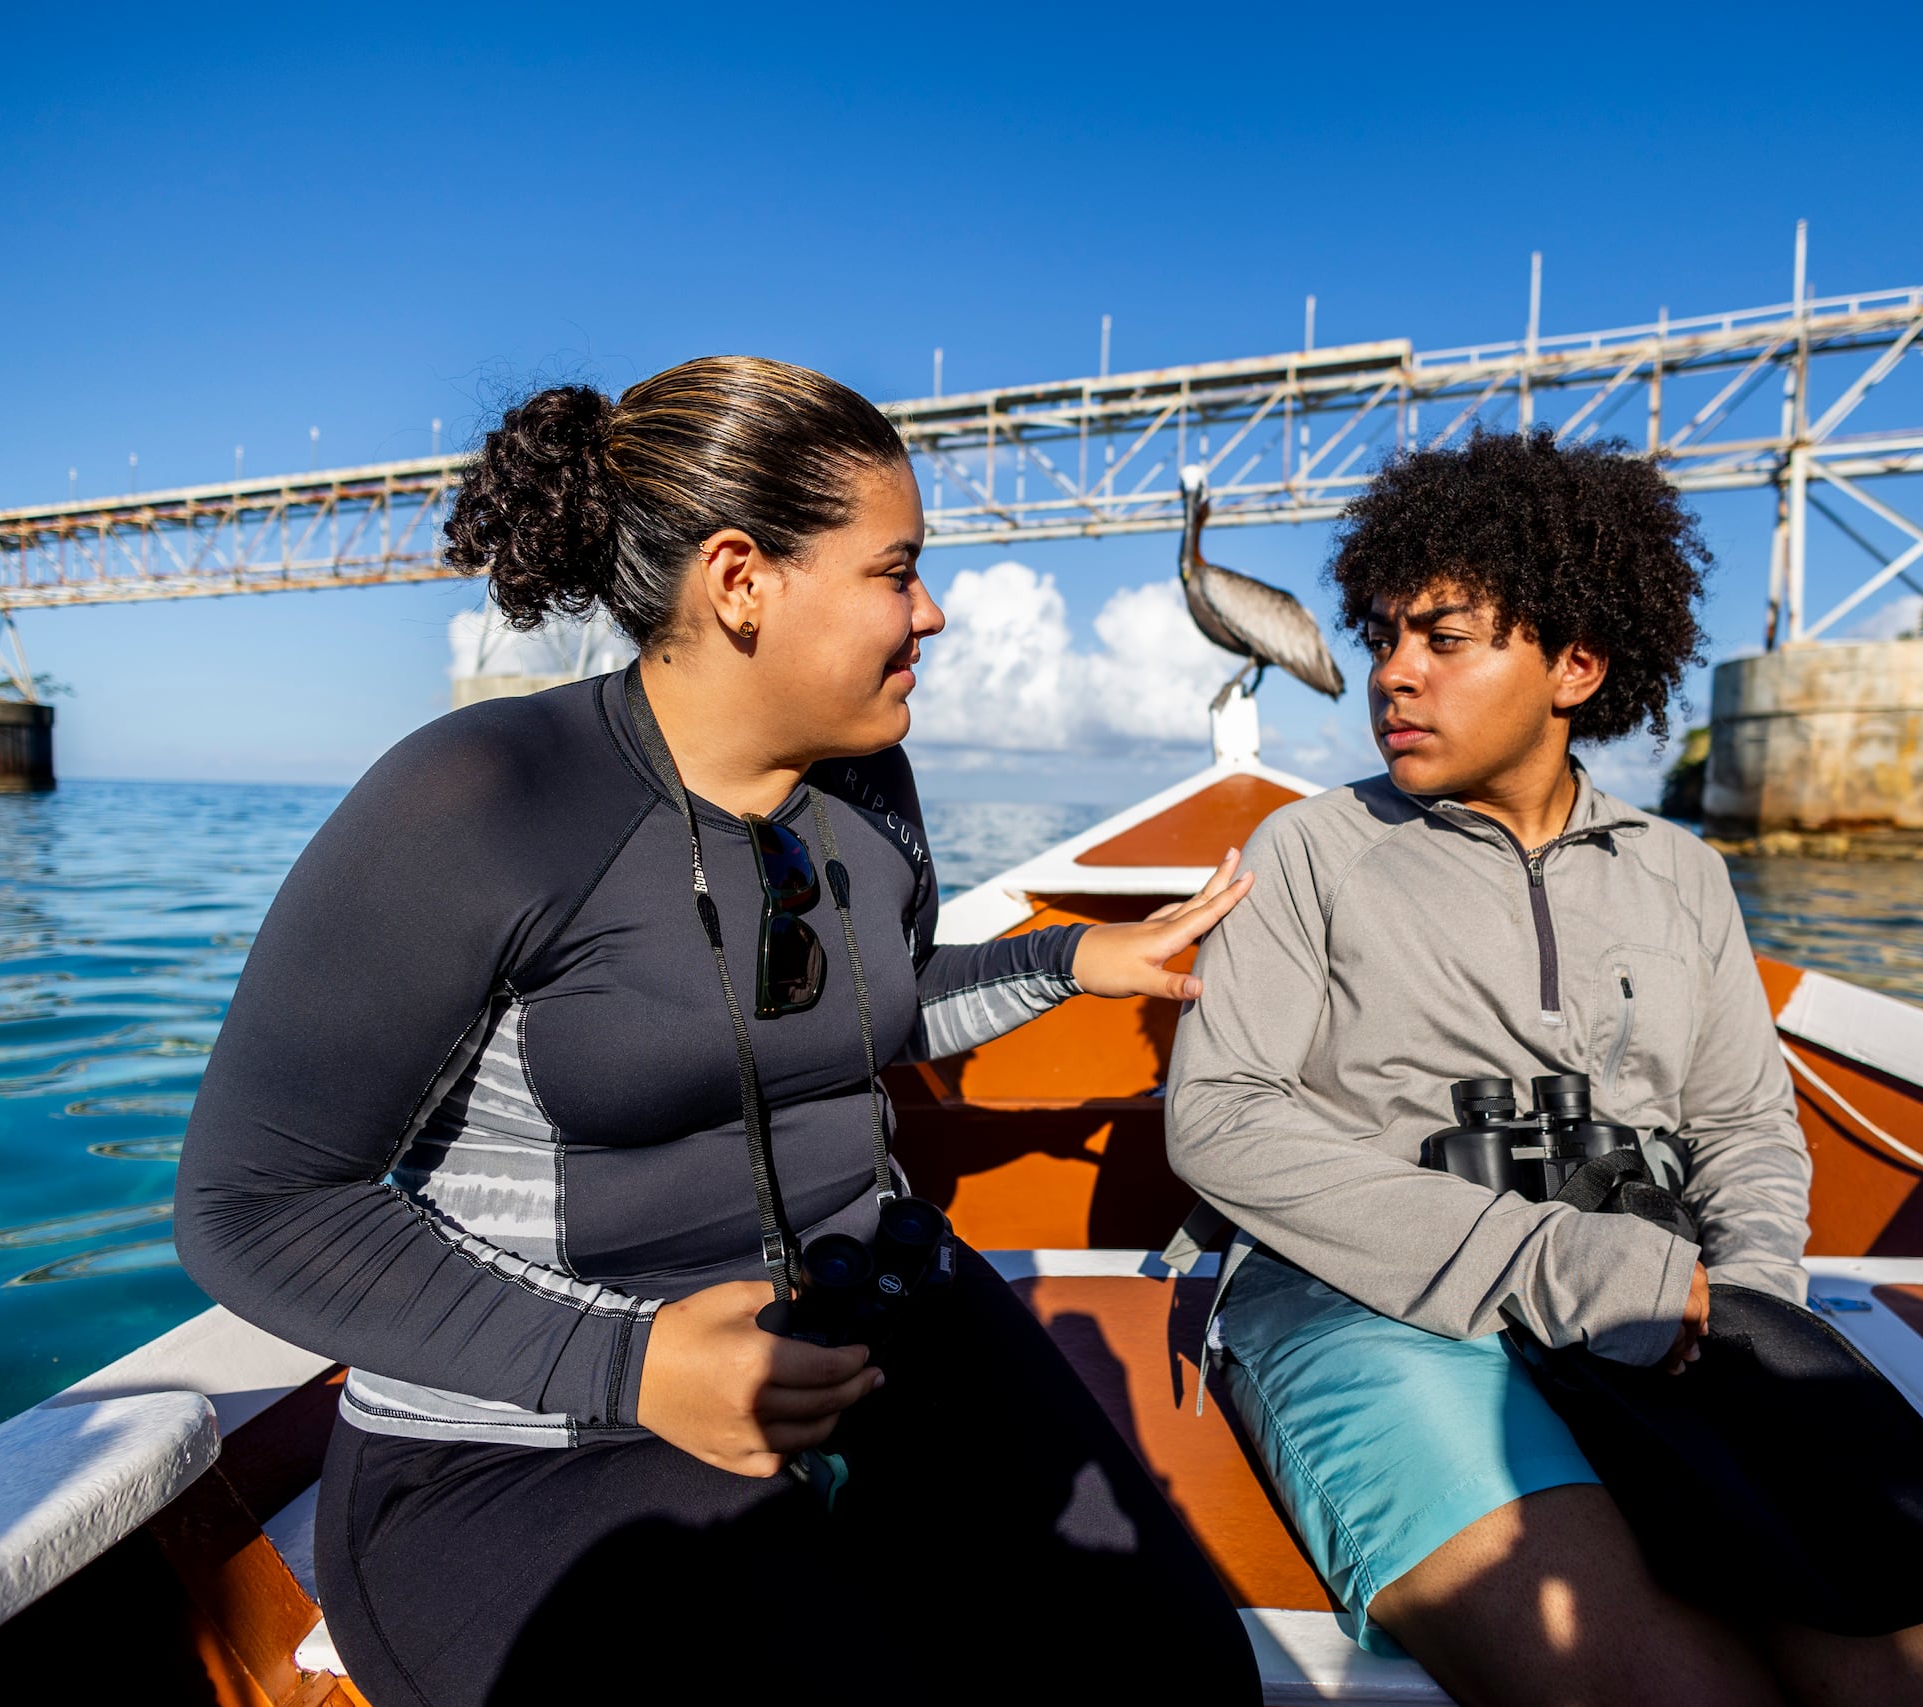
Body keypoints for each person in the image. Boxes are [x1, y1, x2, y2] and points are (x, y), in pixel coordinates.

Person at [176, 357, 1263, 1707]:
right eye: (895, 570)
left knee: (1184, 1674)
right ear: (741, 579)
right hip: (534, 1441)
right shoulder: (480, 798)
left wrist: (1077, 957)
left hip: (876, 1326)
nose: (929, 614)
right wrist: (632, 1364)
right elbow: (254, 1201)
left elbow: (873, 996)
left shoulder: (867, 779)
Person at [1165, 429, 1923, 1707]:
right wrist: (1550, 1263)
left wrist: (1755, 1304)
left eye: (1444, 638)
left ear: (1577, 666)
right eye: (1381, 637)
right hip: (1362, 1304)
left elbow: (1745, 1128)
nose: (1391, 677)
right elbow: (1219, 1120)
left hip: (1656, 1312)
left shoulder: (1679, 871)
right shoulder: (1309, 850)